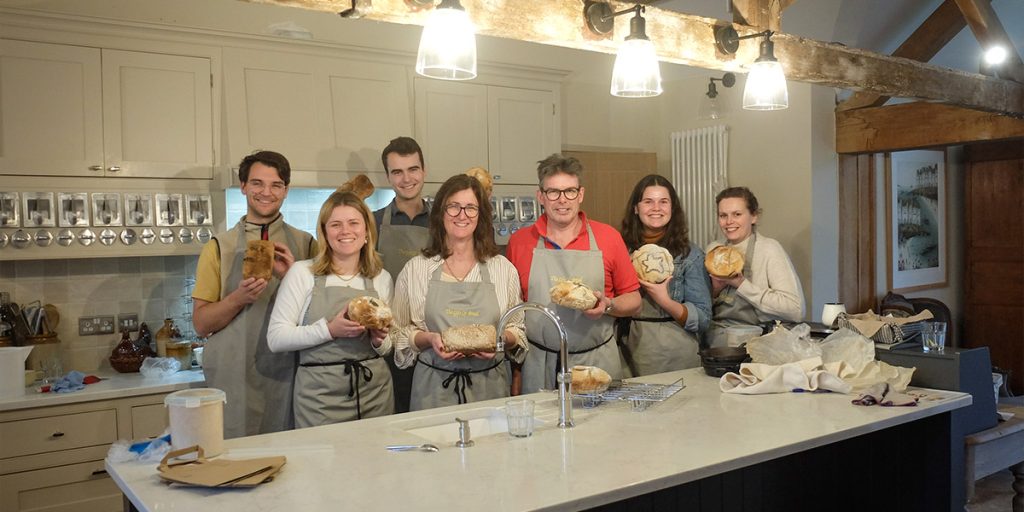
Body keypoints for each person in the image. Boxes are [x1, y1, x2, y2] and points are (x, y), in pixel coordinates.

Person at [192, 150, 316, 438]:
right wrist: (239, 298)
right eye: (258, 183)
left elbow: (322, 315)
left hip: (291, 373)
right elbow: (201, 324)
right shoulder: (218, 248)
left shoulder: (307, 244)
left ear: (286, 190)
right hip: (235, 376)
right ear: (243, 186)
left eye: (276, 185)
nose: (266, 192)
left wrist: (292, 277)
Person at [506, 154, 641, 394]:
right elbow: (513, 311)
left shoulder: (608, 237)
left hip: (596, 364)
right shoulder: (519, 243)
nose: (562, 200)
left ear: (580, 194)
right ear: (541, 196)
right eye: (553, 192)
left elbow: (634, 300)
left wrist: (607, 305)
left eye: (569, 191)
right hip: (539, 366)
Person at [391, 174, 527, 410]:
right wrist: (429, 339)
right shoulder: (416, 269)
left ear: (481, 215)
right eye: (453, 207)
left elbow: (518, 329)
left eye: (470, 208)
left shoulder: (502, 269)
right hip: (433, 390)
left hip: (490, 389)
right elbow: (398, 334)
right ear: (440, 212)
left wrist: (500, 341)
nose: (462, 215)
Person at [267, 191, 394, 427]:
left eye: (354, 223)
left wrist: (379, 340)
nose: (345, 231)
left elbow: (387, 347)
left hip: (375, 393)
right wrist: (330, 330)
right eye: (336, 224)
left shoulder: (381, 278)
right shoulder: (303, 273)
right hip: (319, 399)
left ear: (366, 231)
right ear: (325, 233)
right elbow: (276, 338)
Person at [618, 175, 712, 375]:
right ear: (636, 208)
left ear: (673, 208)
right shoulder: (619, 249)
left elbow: (703, 318)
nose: (656, 208)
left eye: (663, 201)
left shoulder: (690, 254)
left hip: (674, 352)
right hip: (628, 348)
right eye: (648, 201)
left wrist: (665, 300)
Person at [705, 186, 805, 348]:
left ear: (753, 217)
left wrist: (741, 285)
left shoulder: (769, 249)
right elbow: (700, 308)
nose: (729, 222)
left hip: (760, 343)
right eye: (723, 215)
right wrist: (715, 289)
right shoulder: (712, 251)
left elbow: (795, 309)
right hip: (718, 343)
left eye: (737, 214)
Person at [373, 136, 430, 414]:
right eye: (397, 171)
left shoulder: (444, 222)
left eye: (413, 169)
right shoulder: (371, 223)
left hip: (430, 339)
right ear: (388, 177)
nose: (406, 179)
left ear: (424, 171)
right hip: (384, 340)